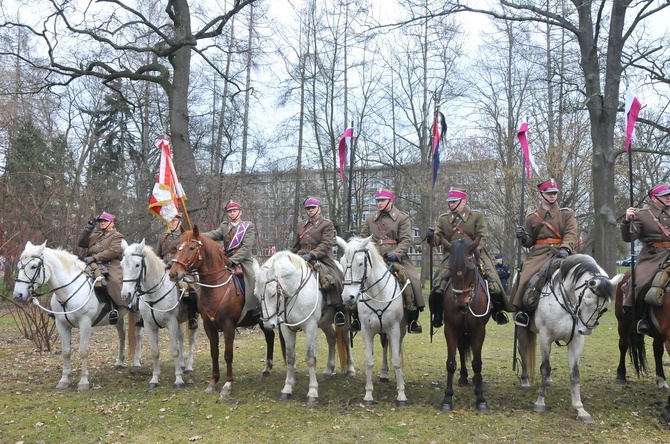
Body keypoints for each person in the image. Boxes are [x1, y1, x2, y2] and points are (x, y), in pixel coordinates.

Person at [426, 188, 512, 327]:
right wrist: (431, 237)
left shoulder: (476, 216)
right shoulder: (443, 219)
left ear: (463, 201)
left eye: (454, 202)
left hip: (475, 254)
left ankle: (497, 311)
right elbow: (437, 241)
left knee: (494, 284)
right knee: (437, 285)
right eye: (450, 202)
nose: (451, 204)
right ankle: (437, 313)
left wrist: (472, 251)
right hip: (452, 256)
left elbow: (483, 236)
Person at [510, 179, 578, 327]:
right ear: (541, 195)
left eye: (554, 193)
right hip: (539, 254)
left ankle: (583, 311)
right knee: (525, 276)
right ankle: (523, 311)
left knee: (584, 275)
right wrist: (523, 237)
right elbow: (530, 241)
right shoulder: (531, 217)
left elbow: (571, 233)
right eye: (549, 193)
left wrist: (565, 249)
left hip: (562, 251)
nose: (553, 196)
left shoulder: (566, 214)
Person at [358, 189, 424, 333]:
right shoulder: (370, 219)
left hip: (395, 256)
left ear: (391, 201)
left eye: (382, 200)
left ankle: (412, 316)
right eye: (378, 200)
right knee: (357, 278)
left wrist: (396, 253)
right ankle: (355, 316)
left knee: (411, 279)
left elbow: (406, 239)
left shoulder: (402, 218)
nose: (379, 203)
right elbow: (363, 239)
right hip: (374, 257)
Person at [620, 183, 670, 334]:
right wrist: (627, 221)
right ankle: (641, 318)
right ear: (654, 198)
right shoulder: (641, 214)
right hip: (653, 256)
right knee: (641, 283)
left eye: (669, 195)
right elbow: (630, 237)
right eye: (664, 196)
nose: (668, 197)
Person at [291, 197, 346, 326]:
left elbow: (326, 244)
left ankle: (339, 311)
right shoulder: (300, 225)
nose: (310, 210)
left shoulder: (327, 224)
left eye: (313, 208)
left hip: (321, 257)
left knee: (335, 279)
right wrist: (289, 255)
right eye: (308, 208)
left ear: (319, 208)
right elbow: (296, 245)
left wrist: (312, 254)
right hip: (301, 256)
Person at [77, 211, 126, 324]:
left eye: (105, 221)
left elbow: (113, 251)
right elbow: (81, 243)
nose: (102, 223)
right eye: (100, 221)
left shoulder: (117, 236)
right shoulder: (96, 236)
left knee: (113, 281)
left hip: (109, 264)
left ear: (112, 223)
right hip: (90, 263)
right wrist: (88, 229)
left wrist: (96, 257)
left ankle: (115, 307)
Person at [203, 201, 256, 302]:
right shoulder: (224, 226)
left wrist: (233, 260)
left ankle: (254, 307)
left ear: (240, 212)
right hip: (226, 259)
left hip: (243, 261)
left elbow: (246, 247)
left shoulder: (248, 226)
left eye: (234, 211)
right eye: (230, 212)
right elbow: (213, 234)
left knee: (253, 280)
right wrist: (198, 235)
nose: (232, 213)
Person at [154, 213, 199, 330]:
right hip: (163, 267)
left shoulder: (186, 236)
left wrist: (172, 264)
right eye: (169, 222)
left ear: (180, 222)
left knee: (189, 287)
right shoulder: (162, 237)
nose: (171, 224)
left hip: (181, 268)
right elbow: (157, 255)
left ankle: (191, 316)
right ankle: (145, 315)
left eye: (174, 222)